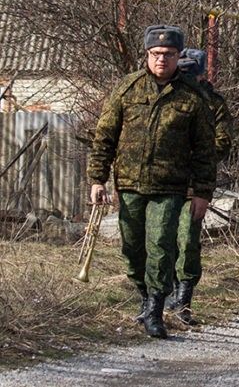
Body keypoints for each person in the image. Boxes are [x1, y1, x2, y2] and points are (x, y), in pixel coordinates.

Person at [87, 25, 216, 339]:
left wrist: (202, 192)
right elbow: (105, 135)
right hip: (129, 183)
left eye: (169, 55)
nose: (162, 59)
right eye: (156, 54)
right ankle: (145, 297)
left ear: (177, 57)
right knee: (132, 248)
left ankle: (156, 309)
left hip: (170, 187)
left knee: (160, 246)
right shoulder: (127, 88)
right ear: (147, 55)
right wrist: (97, 178)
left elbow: (205, 149)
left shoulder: (192, 95)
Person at [166, 48, 233, 326]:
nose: (185, 74)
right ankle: (161, 296)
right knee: (159, 239)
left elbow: (222, 142)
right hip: (164, 180)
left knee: (187, 240)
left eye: (190, 70)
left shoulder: (213, 103)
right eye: (182, 69)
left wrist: (195, 157)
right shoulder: (167, 96)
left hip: (193, 183)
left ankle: (183, 300)